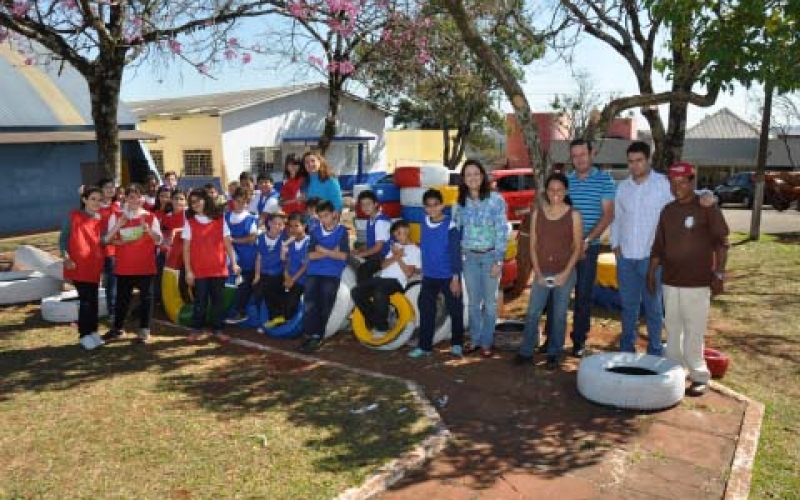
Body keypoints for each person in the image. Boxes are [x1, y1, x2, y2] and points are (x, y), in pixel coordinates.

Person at [648, 162, 729, 397]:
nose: (678, 188)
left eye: (682, 183)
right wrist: (651, 272)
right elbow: (658, 246)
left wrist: (720, 273)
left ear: (692, 182)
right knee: (672, 329)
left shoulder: (706, 206)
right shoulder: (668, 210)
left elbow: (722, 241)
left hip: (698, 282)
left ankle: (699, 375)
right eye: (673, 184)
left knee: (694, 331)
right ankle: (675, 372)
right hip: (671, 281)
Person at [551, 139, 615, 357]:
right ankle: (552, 338)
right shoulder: (566, 181)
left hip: (589, 248)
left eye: (582, 154)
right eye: (575, 155)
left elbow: (608, 215)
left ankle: (578, 342)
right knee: (557, 292)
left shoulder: (605, 180)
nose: (579, 159)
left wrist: (585, 242)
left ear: (591, 154)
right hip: (563, 249)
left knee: (583, 295)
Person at [515, 173, 583, 370]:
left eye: (559, 190)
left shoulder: (574, 215)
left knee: (560, 315)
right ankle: (526, 351)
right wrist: (538, 272)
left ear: (566, 191)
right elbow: (533, 245)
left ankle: (554, 353)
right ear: (546, 192)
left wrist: (564, 274)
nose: (555, 193)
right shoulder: (538, 213)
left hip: (565, 272)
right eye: (551, 190)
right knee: (533, 312)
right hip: (542, 271)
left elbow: (577, 248)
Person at [453, 159, 508, 358]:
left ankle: (487, 342)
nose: (473, 178)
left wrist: (499, 261)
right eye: (468, 175)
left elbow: (502, 231)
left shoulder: (496, 200)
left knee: (490, 303)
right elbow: (455, 233)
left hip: (490, 257)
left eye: (476, 173)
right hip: (469, 258)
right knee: (474, 303)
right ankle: (475, 340)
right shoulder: (459, 203)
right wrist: (456, 263)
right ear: (464, 179)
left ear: (483, 176)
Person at [103, 184, 163, 344]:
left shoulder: (151, 217)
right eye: (131, 196)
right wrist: (120, 236)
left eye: (138, 196)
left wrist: (148, 230)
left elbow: (159, 240)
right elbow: (108, 240)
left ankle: (144, 331)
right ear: (126, 198)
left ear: (143, 198)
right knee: (122, 299)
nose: (134, 200)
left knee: (146, 299)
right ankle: (118, 329)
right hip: (124, 266)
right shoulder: (117, 216)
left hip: (145, 265)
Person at [409, 189, 464, 358]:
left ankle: (457, 344)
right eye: (428, 206)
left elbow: (456, 253)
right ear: (424, 208)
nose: (432, 208)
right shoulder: (424, 221)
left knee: (455, 310)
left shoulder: (451, 226)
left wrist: (455, 278)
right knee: (426, 310)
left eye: (435, 205)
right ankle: (425, 346)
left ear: (442, 205)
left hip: (449, 276)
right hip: (429, 276)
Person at [183, 188, 240, 342]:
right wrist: (188, 271)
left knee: (218, 302)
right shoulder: (190, 223)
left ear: (205, 200)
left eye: (197, 200)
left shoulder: (220, 220)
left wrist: (234, 263)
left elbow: (228, 245)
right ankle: (196, 329)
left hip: (218, 269)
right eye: (191, 202)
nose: (194, 204)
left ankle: (219, 329)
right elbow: (186, 249)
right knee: (200, 301)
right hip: (199, 271)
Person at [351, 220, 420, 336]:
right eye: (395, 235)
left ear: (407, 231)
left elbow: (408, 273)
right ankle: (374, 320)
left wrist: (398, 257)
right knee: (356, 291)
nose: (397, 237)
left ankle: (382, 327)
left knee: (379, 291)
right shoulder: (395, 247)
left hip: (397, 282)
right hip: (382, 278)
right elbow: (382, 265)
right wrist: (396, 255)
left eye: (399, 233)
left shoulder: (415, 250)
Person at [298, 200, 349, 353]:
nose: (323, 220)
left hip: (332, 273)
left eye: (326, 215)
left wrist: (324, 251)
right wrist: (332, 251)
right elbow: (310, 255)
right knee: (310, 303)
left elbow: (343, 256)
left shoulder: (342, 231)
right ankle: (310, 334)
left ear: (334, 214)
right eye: (320, 216)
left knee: (325, 303)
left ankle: (318, 336)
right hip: (314, 271)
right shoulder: (315, 231)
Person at [60, 186, 107, 350]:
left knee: (93, 301)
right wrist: (66, 258)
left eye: (99, 199)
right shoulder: (73, 216)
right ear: (84, 199)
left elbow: (101, 242)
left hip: (94, 266)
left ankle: (93, 332)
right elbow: (63, 239)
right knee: (86, 301)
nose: (96, 202)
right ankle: (84, 335)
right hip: (77, 266)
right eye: (92, 198)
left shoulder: (100, 219)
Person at [225, 187, 259, 324]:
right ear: (233, 201)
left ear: (247, 203)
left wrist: (233, 240)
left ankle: (241, 312)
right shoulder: (226, 216)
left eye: (242, 202)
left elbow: (252, 238)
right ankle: (226, 310)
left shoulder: (251, 218)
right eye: (237, 201)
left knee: (244, 285)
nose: (239, 204)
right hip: (229, 258)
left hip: (247, 259)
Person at [253, 212, 289, 328]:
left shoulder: (285, 239)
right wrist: (257, 275)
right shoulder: (260, 238)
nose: (278, 226)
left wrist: (286, 276)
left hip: (277, 274)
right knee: (258, 291)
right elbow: (259, 258)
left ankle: (277, 319)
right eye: (275, 223)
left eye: (281, 224)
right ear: (269, 223)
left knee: (274, 292)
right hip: (263, 273)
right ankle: (261, 320)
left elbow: (286, 260)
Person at [352, 190, 391, 283]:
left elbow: (378, 247)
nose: (365, 207)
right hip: (376, 253)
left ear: (376, 204)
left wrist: (361, 254)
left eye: (368, 204)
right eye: (362, 205)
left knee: (363, 269)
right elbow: (371, 244)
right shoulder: (370, 219)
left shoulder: (380, 221)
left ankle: (364, 294)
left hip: (384, 255)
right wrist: (359, 250)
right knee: (349, 257)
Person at [96, 178, 120, 322]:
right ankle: (112, 311)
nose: (111, 190)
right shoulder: (97, 208)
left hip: (120, 249)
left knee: (118, 281)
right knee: (111, 281)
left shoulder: (118, 206)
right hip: (106, 250)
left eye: (113, 187)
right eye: (107, 187)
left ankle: (118, 309)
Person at [279, 212, 310, 325]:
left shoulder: (309, 242)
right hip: (289, 278)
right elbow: (287, 261)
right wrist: (286, 276)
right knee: (274, 291)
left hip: (301, 281)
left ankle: (287, 321)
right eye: (291, 226)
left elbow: (305, 266)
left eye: (296, 226)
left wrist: (292, 280)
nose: (293, 229)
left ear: (304, 226)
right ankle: (278, 318)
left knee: (292, 299)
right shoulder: (290, 242)